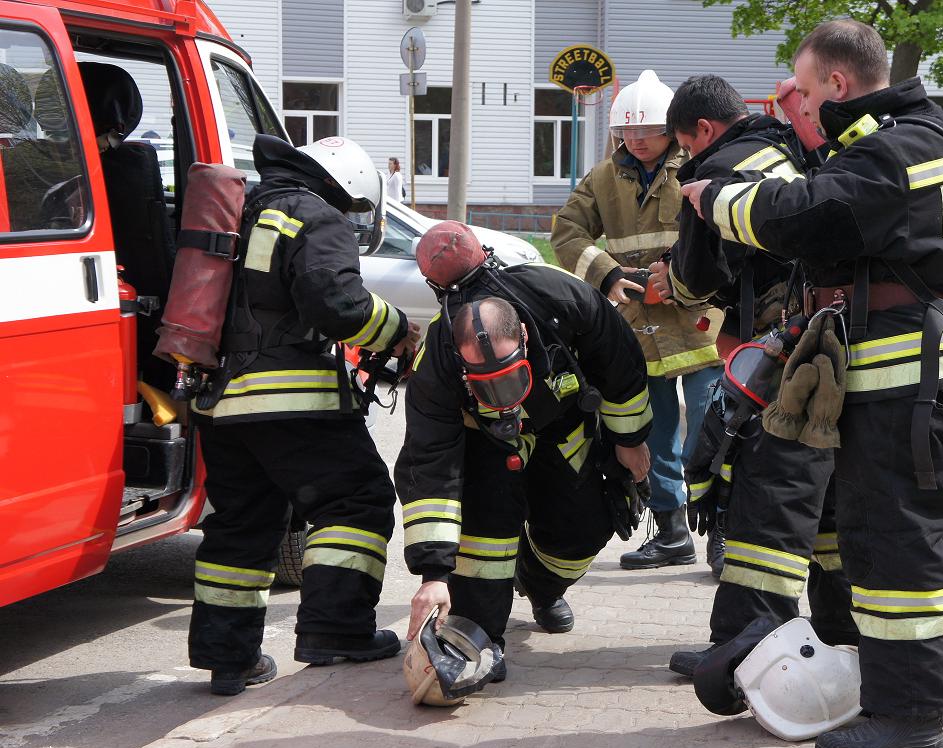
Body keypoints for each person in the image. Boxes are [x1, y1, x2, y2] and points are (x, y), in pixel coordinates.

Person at [683, 20, 943, 748]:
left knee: (897, 549)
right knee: (859, 539)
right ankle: (868, 679)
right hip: (884, 383)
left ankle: (912, 717)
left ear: (840, 85)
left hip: (905, 384)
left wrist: (713, 197)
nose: (802, 101)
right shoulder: (888, 144)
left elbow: (807, 216)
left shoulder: (906, 148)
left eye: (809, 89)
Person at [187, 134, 420, 696]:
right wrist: (397, 329)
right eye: (352, 206)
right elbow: (335, 303)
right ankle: (336, 630)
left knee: (242, 524)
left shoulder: (245, 210)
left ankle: (229, 658)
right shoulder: (315, 215)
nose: (349, 216)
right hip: (293, 401)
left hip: (220, 403)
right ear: (344, 186)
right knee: (355, 500)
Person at [652, 74, 857, 677]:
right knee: (832, 496)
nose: (688, 158)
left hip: (781, 355)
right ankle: (839, 628)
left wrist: (672, 281)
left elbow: (692, 280)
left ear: (705, 132)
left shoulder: (712, 173)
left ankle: (743, 646)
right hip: (845, 342)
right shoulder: (793, 147)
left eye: (686, 145)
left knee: (763, 494)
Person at [396, 221, 653, 680]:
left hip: (563, 430)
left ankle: (542, 587)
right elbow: (428, 464)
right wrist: (433, 573)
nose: (505, 398)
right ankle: (479, 638)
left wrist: (630, 441)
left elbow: (621, 366)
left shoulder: (561, 298)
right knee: (484, 539)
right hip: (485, 444)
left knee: (582, 530)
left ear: (526, 341)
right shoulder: (436, 360)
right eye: (488, 387)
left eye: (511, 380)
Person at [552, 69, 722, 571]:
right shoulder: (603, 178)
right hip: (637, 329)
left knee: (711, 432)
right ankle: (671, 532)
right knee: (652, 433)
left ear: (671, 129)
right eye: (627, 131)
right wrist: (605, 276)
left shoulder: (698, 167)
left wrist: (682, 278)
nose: (636, 139)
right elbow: (566, 233)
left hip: (700, 325)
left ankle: (723, 529)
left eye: (646, 129)